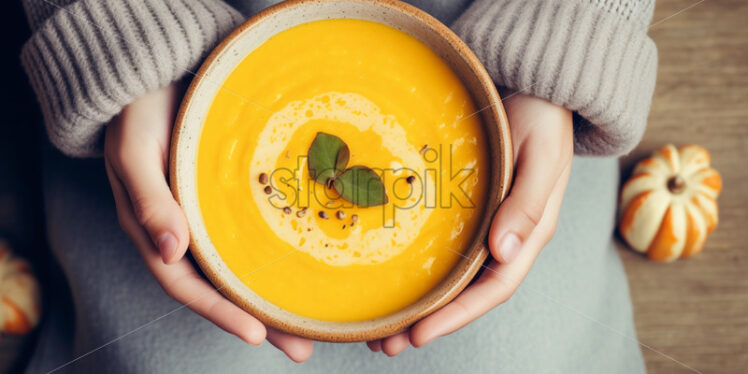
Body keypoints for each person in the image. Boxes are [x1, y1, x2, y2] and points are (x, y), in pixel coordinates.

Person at [20, 0, 657, 372]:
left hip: (511, 52)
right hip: (167, 52)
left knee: (524, 356)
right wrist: (118, 34)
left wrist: (570, 33)